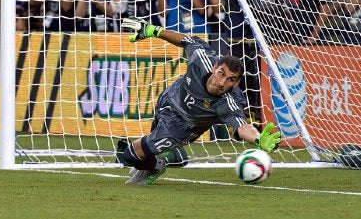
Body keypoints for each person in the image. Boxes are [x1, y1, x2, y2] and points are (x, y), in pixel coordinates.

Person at [118, 17, 281, 186]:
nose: (222, 82)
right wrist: (155, 30)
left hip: (181, 128)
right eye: (221, 73)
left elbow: (241, 126)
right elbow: (185, 40)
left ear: (236, 83)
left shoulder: (229, 101)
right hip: (169, 99)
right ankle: (163, 158)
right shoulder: (202, 58)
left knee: (130, 155)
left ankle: (156, 167)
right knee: (149, 146)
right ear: (214, 67)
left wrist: (258, 139)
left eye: (231, 80)